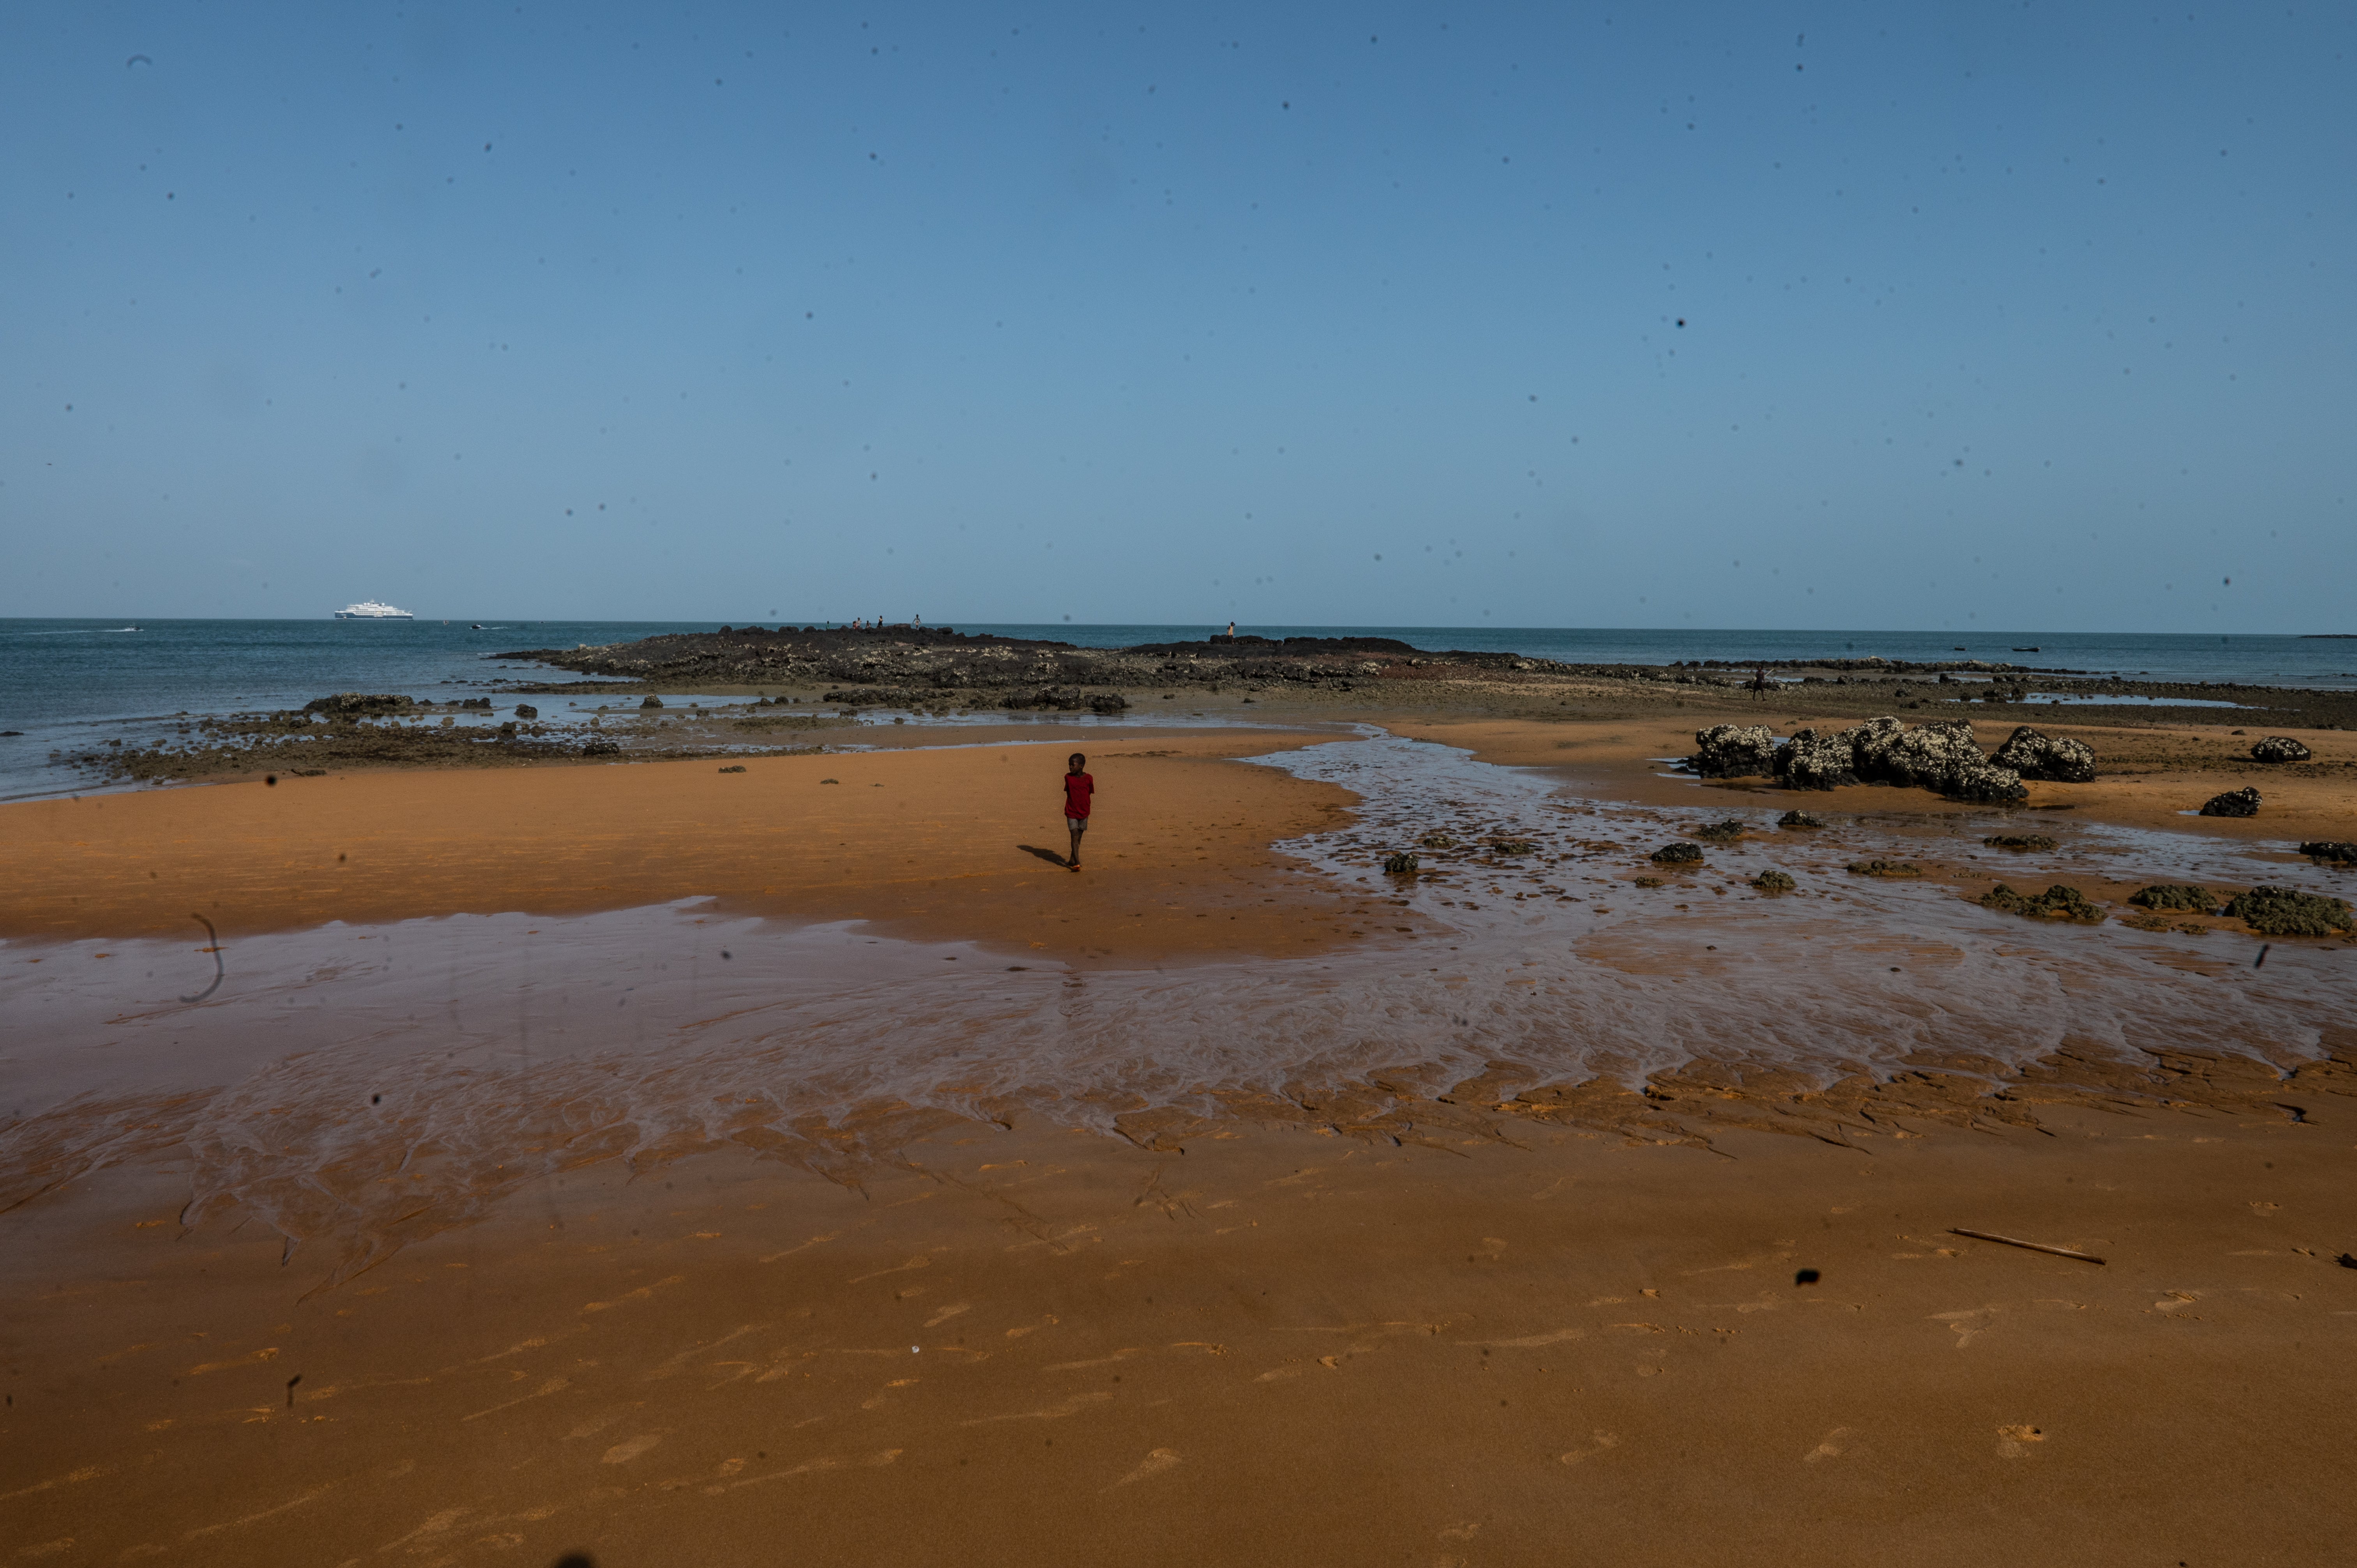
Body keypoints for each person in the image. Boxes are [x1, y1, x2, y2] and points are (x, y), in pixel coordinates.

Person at [1061, 752, 1094, 871]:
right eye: (1069, 765)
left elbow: (1089, 792)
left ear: (1081, 766)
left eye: (1073, 765)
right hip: (1071, 812)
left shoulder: (1089, 778)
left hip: (1084, 812)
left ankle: (1072, 860)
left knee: (1078, 838)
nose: (1070, 767)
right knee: (1074, 836)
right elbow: (1068, 791)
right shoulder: (1068, 778)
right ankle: (1077, 862)